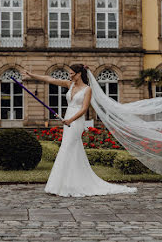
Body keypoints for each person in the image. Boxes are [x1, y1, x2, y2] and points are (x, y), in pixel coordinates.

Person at [23, 64, 137, 197]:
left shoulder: (87, 89)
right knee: (71, 149)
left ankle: (63, 185)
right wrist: (32, 75)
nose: (70, 75)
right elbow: (50, 79)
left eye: (72, 73)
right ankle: (67, 183)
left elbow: (84, 109)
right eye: (69, 73)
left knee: (67, 147)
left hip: (76, 120)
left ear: (79, 74)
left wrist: (71, 120)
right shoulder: (69, 84)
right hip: (68, 117)